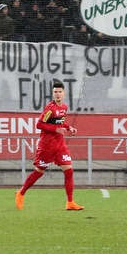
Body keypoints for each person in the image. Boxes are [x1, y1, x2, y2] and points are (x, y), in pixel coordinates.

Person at [15, 80, 83, 211]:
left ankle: (70, 202)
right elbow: (39, 124)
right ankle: (21, 193)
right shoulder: (50, 109)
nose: (57, 94)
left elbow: (60, 123)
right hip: (47, 146)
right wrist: (55, 130)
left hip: (60, 146)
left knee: (69, 171)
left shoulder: (64, 108)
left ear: (64, 93)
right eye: (55, 92)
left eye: (59, 92)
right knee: (39, 172)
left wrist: (69, 127)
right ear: (53, 94)